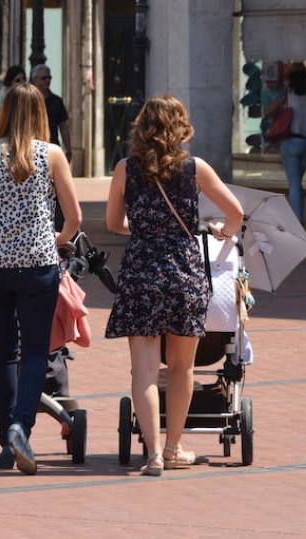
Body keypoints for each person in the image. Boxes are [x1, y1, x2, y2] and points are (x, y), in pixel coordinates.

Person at [105, 95, 244, 476]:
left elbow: (114, 224)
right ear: (180, 127)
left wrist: (146, 228)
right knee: (182, 367)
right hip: (184, 272)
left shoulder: (125, 169)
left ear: (142, 127)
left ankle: (151, 454)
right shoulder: (195, 168)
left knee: (144, 370)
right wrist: (221, 231)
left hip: (141, 272)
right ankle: (174, 447)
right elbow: (235, 213)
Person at [0, 83, 82, 475]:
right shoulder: (50, 154)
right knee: (36, 351)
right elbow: (74, 217)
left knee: (1, 352)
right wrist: (60, 238)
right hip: (37, 264)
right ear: (40, 114)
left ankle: (5, 445)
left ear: (4, 111)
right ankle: (20, 427)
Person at [267, 65, 306, 222]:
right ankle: (296, 217)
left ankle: (296, 221)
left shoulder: (288, 97)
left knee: (294, 184)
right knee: (297, 183)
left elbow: (267, 112)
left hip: (291, 143)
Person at [30, 64, 72, 162]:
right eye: (44, 78)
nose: (48, 81)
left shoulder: (57, 101)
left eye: (49, 78)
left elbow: (64, 126)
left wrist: (68, 149)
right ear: (34, 79)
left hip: (51, 147)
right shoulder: (27, 101)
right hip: (31, 148)